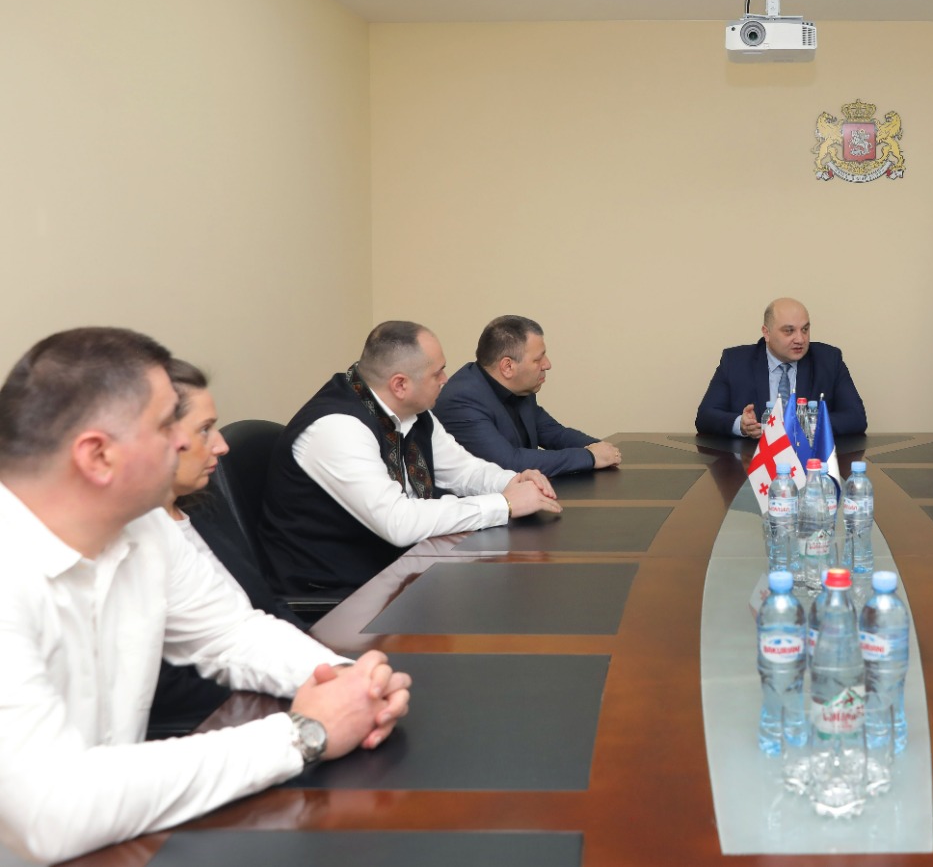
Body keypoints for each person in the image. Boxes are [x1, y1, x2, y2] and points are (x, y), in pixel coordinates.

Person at [0, 328, 410, 865]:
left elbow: (232, 633)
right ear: (97, 456)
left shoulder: (144, 526)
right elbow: (53, 811)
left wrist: (349, 683)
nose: (187, 442)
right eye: (166, 424)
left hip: (122, 839)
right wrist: (303, 734)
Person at [259, 321, 562, 596]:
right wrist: (503, 504)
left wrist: (511, 482)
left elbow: (462, 470)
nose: (446, 380)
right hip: (336, 595)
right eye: (437, 373)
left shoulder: (413, 411)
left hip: (397, 571)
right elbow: (398, 522)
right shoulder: (338, 427)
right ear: (400, 385)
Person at [149, 360, 309, 737]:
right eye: (205, 429)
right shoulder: (135, 538)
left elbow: (261, 608)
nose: (221, 446)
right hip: (216, 722)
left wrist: (334, 670)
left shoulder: (202, 506)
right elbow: (179, 682)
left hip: (277, 682)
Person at [435, 315, 621, 477]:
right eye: (538, 359)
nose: (547, 365)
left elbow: (554, 433)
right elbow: (509, 463)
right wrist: (590, 456)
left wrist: (600, 448)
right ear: (508, 367)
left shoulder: (520, 388)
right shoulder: (461, 400)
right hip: (477, 504)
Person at [695, 298, 868, 437]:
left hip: (810, 461)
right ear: (766, 333)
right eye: (789, 331)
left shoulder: (828, 360)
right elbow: (705, 416)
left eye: (805, 329)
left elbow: (856, 417)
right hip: (752, 461)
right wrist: (740, 424)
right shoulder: (735, 361)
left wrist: (808, 425)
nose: (800, 339)